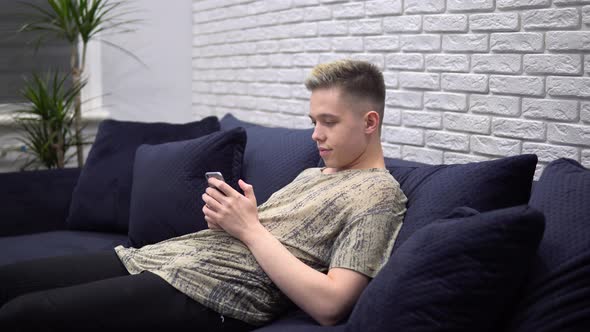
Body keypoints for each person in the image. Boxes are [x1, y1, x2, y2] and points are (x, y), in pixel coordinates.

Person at [0, 59, 407, 331]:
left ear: (369, 121)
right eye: (313, 121)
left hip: (214, 292)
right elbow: (269, 237)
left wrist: (248, 228)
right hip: (164, 256)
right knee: (9, 281)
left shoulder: (378, 195)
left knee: (23, 315)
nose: (315, 133)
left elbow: (332, 305)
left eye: (329, 122)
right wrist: (232, 220)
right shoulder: (315, 173)